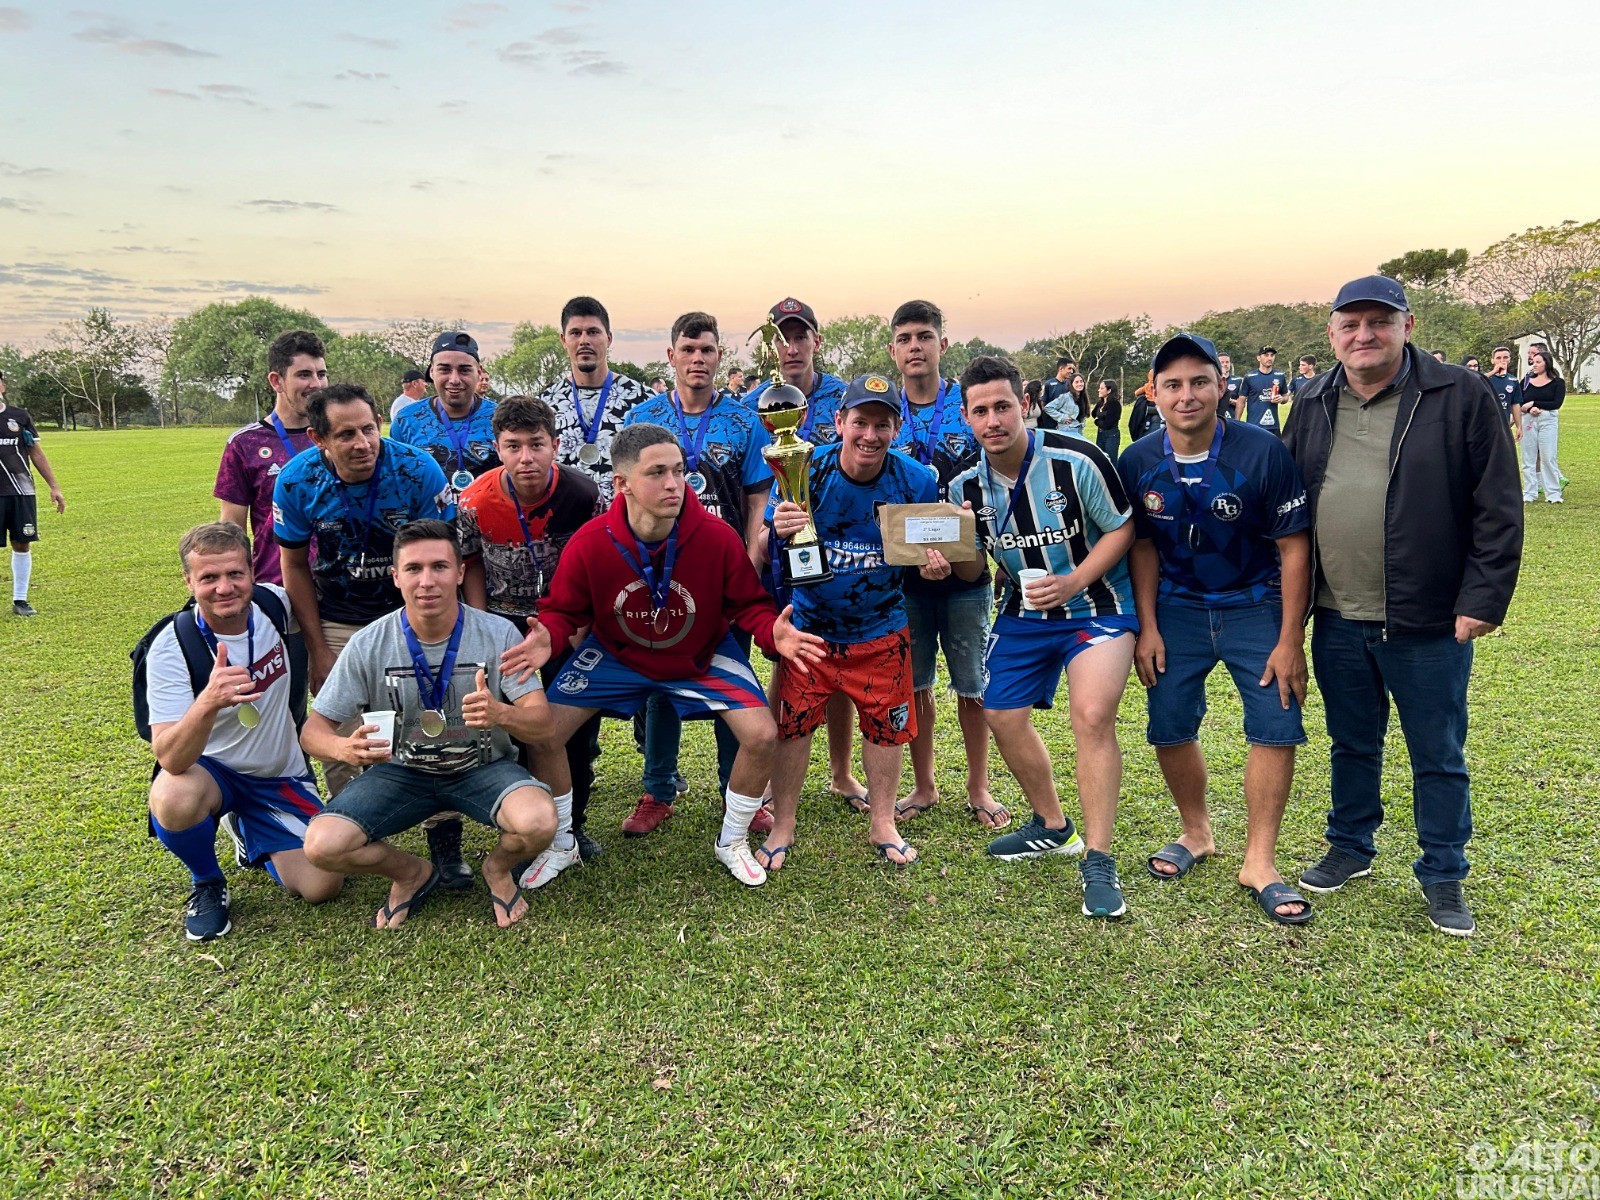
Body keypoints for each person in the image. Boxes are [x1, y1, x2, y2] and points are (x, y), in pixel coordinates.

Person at [1284, 274, 1522, 937]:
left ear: (1407, 326)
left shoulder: (1459, 394)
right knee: (1352, 743)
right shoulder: (1311, 399)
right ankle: (1351, 847)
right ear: (1331, 335)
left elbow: (1498, 505)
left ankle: (1444, 873)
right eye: (1350, 324)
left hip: (1427, 617)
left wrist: (1484, 597)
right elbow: (1289, 504)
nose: (1364, 335)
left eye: (1378, 322)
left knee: (1437, 752)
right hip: (1336, 614)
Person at [504, 423, 828, 890]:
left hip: (700, 652)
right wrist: (549, 637)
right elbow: (562, 611)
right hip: (618, 655)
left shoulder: (715, 536)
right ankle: (562, 843)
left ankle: (731, 840)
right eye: (657, 473)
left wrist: (771, 633)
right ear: (622, 484)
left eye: (678, 471)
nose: (674, 484)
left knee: (761, 735)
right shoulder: (592, 541)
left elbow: (749, 605)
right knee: (544, 733)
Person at [1118, 333, 1314, 925]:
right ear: (1154, 394)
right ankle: (1196, 832)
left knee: (1276, 724)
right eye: (1172, 385)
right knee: (1170, 724)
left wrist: (1289, 640)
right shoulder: (1138, 461)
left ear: (1220, 386)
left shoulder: (1263, 452)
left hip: (1256, 605)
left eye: (1199, 382)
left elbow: (1294, 547)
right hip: (1176, 610)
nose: (1187, 396)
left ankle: (1260, 861)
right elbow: (1143, 550)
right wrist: (1147, 627)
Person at [949, 356, 1138, 920]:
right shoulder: (963, 486)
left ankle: (1099, 860)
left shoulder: (1076, 459)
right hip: (1024, 613)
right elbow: (972, 572)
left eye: (1003, 406)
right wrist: (949, 560)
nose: (993, 420)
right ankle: (1052, 825)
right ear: (966, 418)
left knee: (1092, 714)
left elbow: (1124, 526)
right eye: (980, 411)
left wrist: (1076, 579)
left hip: (1096, 605)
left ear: (1024, 405)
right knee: (1000, 713)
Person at [300, 520, 558, 928]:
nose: (427, 581)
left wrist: (501, 714)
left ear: (459, 573)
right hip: (401, 774)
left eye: (439, 567)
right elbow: (312, 731)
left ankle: (496, 869)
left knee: (539, 823)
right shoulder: (368, 643)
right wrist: (343, 749)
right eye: (414, 569)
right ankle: (411, 873)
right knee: (322, 846)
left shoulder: (498, 633)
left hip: (483, 768)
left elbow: (543, 726)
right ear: (396, 576)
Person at [759, 374, 941, 871]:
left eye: (882, 424)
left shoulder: (916, 479)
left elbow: (929, 547)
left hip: (881, 627)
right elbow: (774, 529)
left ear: (896, 429)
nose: (869, 435)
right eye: (860, 422)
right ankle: (784, 823)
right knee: (792, 727)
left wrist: (933, 560)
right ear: (839, 422)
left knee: (886, 730)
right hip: (812, 629)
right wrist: (776, 526)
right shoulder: (801, 466)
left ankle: (883, 821)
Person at [145, 522, 343, 941]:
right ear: (188, 581)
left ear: (252, 570)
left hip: (279, 773)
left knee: (322, 886)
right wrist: (208, 700)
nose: (224, 588)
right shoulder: (171, 646)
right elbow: (170, 757)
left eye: (235, 573)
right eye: (209, 578)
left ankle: (249, 829)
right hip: (212, 774)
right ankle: (207, 882)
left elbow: (322, 621)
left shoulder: (276, 606)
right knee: (172, 793)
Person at [272, 382, 452, 825]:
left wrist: (451, 627)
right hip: (337, 614)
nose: (363, 444)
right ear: (319, 439)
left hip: (412, 613)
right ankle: (358, 828)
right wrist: (317, 649)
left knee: (431, 720)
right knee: (341, 732)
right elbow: (293, 565)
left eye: (369, 429)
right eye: (346, 435)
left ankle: (443, 836)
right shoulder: (296, 481)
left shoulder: (417, 469)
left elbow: (447, 555)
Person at [623, 312, 775, 837]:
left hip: (724, 576)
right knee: (659, 684)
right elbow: (625, 494)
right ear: (670, 356)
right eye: (688, 349)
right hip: (659, 577)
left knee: (734, 681)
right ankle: (657, 789)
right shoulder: (642, 420)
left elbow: (758, 493)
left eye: (707, 350)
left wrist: (752, 554)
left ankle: (739, 792)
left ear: (718, 358)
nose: (697, 359)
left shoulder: (743, 420)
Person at [457, 395, 604, 860]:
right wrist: (481, 626)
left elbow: (600, 563)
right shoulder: (475, 500)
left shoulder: (583, 494)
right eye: (513, 445)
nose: (526, 458)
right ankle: (528, 821)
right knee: (518, 728)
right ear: (497, 448)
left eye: (536, 444)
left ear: (556, 445)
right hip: (504, 628)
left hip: (566, 625)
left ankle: (573, 824)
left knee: (572, 728)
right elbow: (471, 564)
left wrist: (579, 632)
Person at [884, 300, 1002, 830]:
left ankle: (978, 786)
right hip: (905, 573)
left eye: (924, 336)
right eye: (905, 338)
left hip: (968, 572)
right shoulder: (886, 409)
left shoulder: (969, 404)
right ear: (893, 350)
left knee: (972, 684)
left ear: (942, 344)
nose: (915, 346)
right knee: (915, 685)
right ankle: (925, 784)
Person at [738, 296, 859, 806]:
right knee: (786, 657)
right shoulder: (753, 404)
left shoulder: (840, 397)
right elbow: (753, 486)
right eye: (782, 337)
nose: (791, 347)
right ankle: (766, 778)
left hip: (837, 544)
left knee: (836, 658)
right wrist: (758, 548)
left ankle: (840, 772)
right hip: (782, 539)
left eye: (800, 335)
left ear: (816, 340)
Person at [215, 330, 325, 586]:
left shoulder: (338, 435)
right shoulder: (245, 443)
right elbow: (233, 529)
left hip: (340, 589)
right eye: (304, 374)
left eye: (321, 374)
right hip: (277, 586)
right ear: (277, 381)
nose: (317, 384)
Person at [538, 297, 649, 509]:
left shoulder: (644, 402)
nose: (584, 341)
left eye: (593, 332)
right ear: (563, 340)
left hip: (627, 529)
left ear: (608, 338)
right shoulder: (544, 406)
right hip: (564, 530)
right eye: (575, 333)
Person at [391, 332, 499, 506]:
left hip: (488, 526)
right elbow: (398, 483)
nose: (454, 379)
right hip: (429, 529)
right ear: (432, 371)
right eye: (445, 369)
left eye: (464, 370)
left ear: (479, 372)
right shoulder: (406, 421)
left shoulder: (500, 417)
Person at [0, 369, 65, 617]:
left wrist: (54, 486)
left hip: (20, 491)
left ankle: (20, 599)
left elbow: (35, 452)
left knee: (22, 542)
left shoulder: (19, 417)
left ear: (3, 387)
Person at [741, 297, 850, 446]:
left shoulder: (844, 399)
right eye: (783, 339)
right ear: (770, 348)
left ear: (816, 343)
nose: (792, 350)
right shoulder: (752, 407)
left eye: (800, 338)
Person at [1520, 345, 1565, 503]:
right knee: (1528, 457)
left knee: (1548, 456)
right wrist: (1529, 408)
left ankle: (1553, 493)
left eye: (1538, 361)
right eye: (1534, 361)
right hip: (1528, 420)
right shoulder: (1526, 381)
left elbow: (1556, 403)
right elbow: (1519, 400)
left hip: (1548, 420)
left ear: (1547, 363)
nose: (1535, 364)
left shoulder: (1557, 383)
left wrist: (1535, 403)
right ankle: (1529, 492)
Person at [1236, 345, 1289, 434]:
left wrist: (1282, 399)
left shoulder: (1279, 376)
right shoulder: (1249, 377)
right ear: (1258, 358)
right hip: (1254, 425)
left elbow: (1286, 396)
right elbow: (1241, 401)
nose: (1269, 358)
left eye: (1272, 355)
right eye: (1266, 355)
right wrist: (1236, 422)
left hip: (1273, 426)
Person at [1485, 346, 1523, 442]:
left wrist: (1519, 426)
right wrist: (1494, 372)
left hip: (1503, 425)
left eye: (1505, 357)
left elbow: (1515, 404)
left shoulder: (1513, 380)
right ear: (1492, 361)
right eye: (1498, 358)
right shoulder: (1486, 378)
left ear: (1509, 359)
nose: (1502, 360)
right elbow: (1475, 382)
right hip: (1485, 425)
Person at [1037, 358, 1076, 432]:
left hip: (1066, 425)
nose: (1071, 371)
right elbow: (1043, 405)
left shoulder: (1071, 384)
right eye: (1069, 368)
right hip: (1050, 426)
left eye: (1072, 369)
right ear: (1061, 369)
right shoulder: (1048, 384)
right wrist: (1057, 417)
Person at [1127, 370, 1165, 441]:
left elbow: (1136, 392)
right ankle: (1162, 422)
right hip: (1157, 403)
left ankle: (1147, 423)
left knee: (1148, 416)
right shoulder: (1160, 385)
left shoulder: (1146, 385)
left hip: (1149, 402)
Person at [1090, 378, 1122, 459]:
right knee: (1100, 460)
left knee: (1110, 461)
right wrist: (1100, 418)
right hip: (1100, 434)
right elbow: (1093, 414)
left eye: (1101, 388)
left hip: (1111, 436)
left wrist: (1097, 421)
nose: (1099, 390)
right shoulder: (1100, 403)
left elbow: (1107, 424)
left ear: (1109, 391)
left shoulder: (1115, 404)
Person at [1218, 352, 1241, 417]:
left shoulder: (1238, 381)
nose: (1225, 364)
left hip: (1232, 419)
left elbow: (1241, 403)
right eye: (1222, 362)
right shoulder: (1213, 381)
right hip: (1216, 419)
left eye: (1227, 362)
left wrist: (1229, 400)